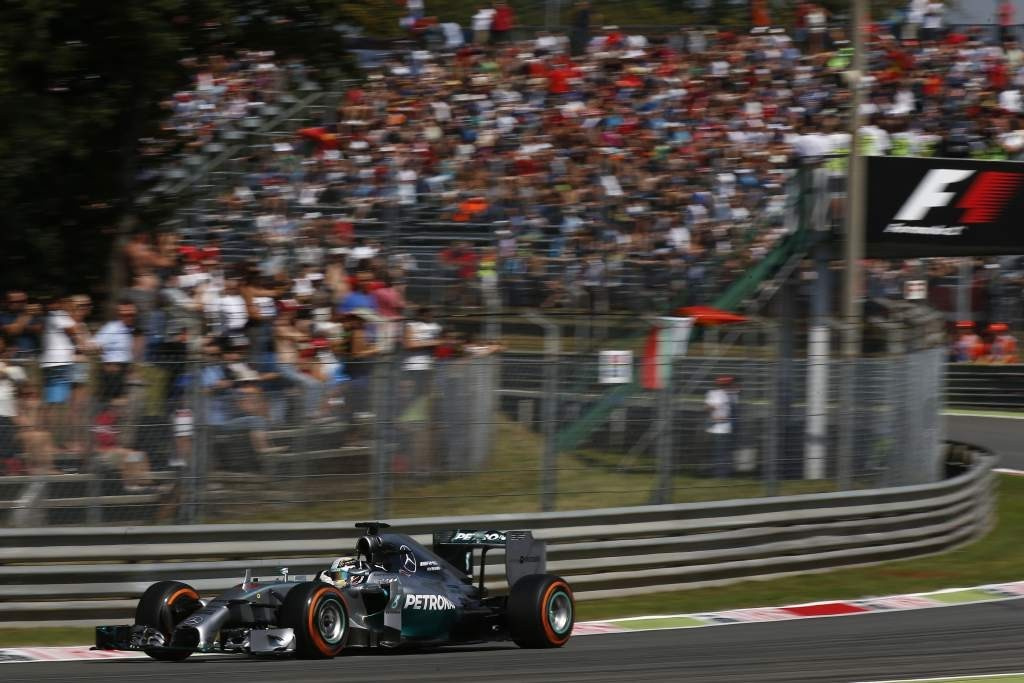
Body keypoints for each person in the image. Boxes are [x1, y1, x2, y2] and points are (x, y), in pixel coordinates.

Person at [705, 376, 734, 478]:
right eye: (728, 385)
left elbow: (708, 408)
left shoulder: (718, 394)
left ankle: (720, 472)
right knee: (720, 451)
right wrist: (714, 412)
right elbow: (709, 408)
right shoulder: (718, 394)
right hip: (718, 426)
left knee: (720, 451)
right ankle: (720, 473)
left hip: (722, 426)